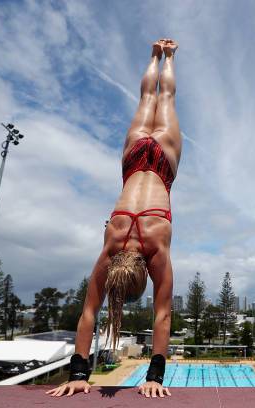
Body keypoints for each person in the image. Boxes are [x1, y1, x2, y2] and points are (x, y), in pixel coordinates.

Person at [47, 38, 180, 399]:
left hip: (162, 162)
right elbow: (88, 312)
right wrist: (80, 369)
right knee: (147, 101)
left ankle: (167, 56)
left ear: (142, 277)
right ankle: (157, 52)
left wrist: (154, 375)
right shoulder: (111, 244)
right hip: (135, 158)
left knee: (162, 99)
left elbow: (162, 315)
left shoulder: (155, 250)